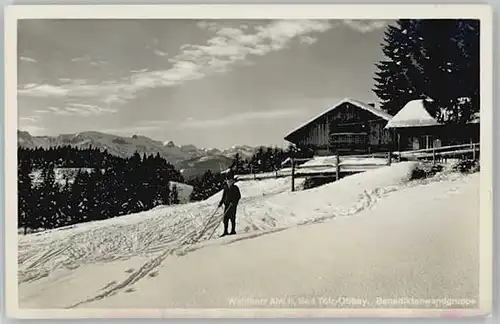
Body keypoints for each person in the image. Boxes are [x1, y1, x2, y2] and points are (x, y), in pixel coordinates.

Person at [218, 170, 241, 237]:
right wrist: (220, 203)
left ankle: (233, 230)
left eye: (230, 181)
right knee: (225, 218)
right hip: (227, 205)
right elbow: (223, 197)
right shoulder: (226, 188)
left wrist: (234, 202)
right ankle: (225, 231)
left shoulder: (235, 188)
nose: (229, 182)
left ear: (232, 181)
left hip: (232, 206)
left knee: (232, 218)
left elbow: (238, 196)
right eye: (228, 181)